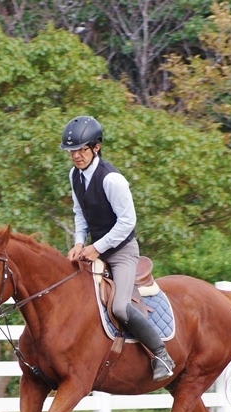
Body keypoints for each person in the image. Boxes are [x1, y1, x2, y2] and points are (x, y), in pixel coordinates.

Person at [61, 115, 175, 380]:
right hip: (94, 250)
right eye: (71, 152)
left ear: (96, 147)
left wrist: (97, 248)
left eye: (81, 150)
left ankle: (162, 355)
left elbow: (127, 222)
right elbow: (80, 213)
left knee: (120, 308)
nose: (76, 156)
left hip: (122, 252)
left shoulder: (112, 180)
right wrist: (79, 243)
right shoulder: (74, 175)